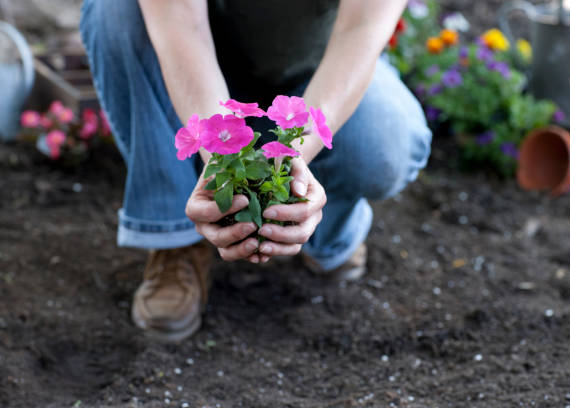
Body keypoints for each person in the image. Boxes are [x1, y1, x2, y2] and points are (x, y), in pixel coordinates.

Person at [80, 0, 432, 342]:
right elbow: (178, 21)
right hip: (205, 73)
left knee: (386, 142)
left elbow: (362, 28)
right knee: (114, 9)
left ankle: (325, 223)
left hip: (315, 74)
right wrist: (218, 155)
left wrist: (294, 153)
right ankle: (176, 237)